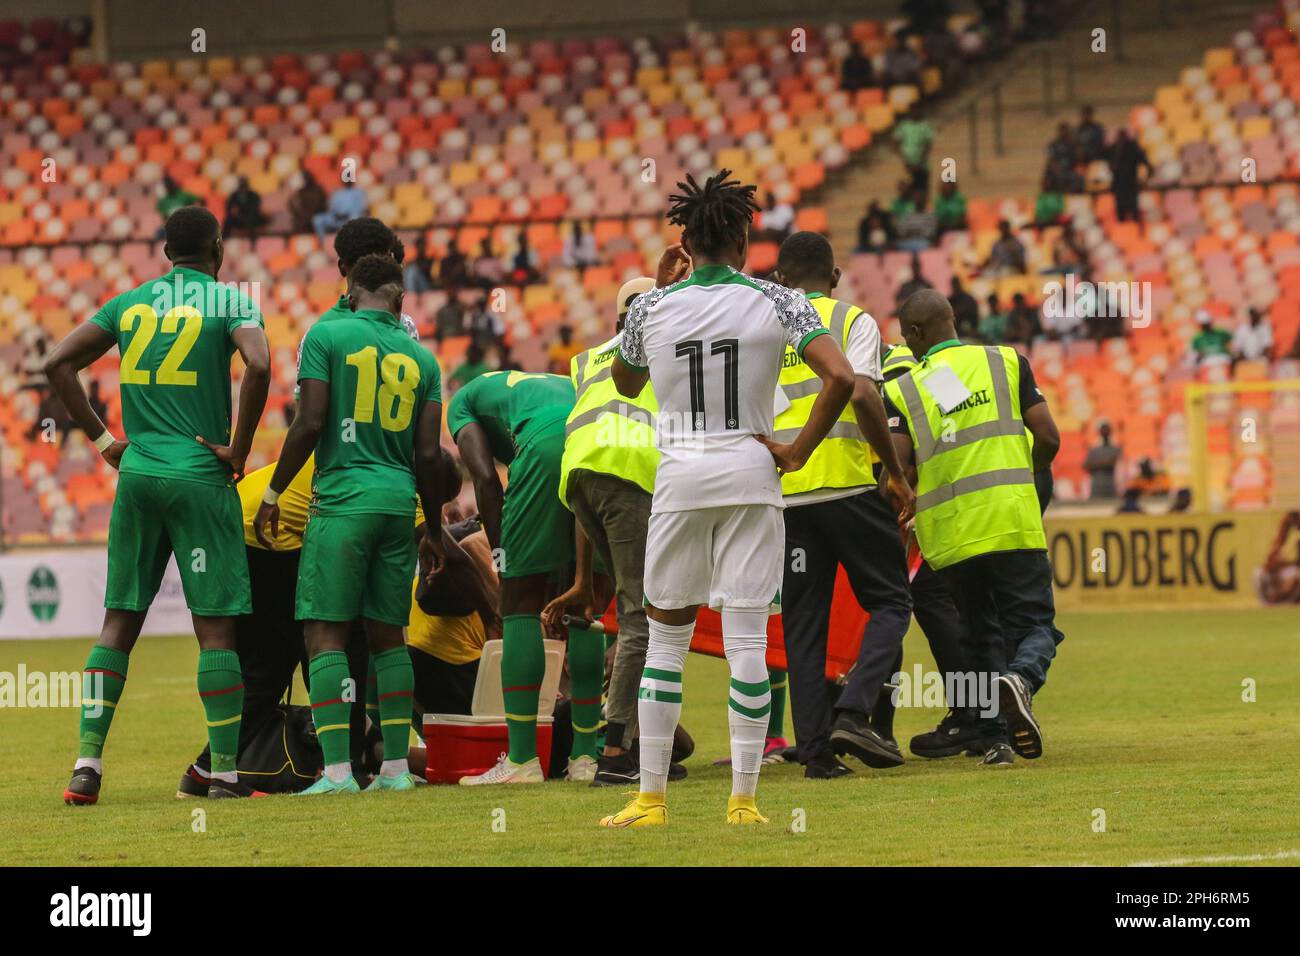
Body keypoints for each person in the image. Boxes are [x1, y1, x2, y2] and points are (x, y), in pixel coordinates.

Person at [603, 170, 854, 827]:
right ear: (744, 239)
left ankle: (650, 799)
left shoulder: (652, 308)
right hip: (751, 470)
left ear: (685, 242)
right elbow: (843, 376)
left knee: (665, 641)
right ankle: (743, 802)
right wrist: (797, 450)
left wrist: (657, 292)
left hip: (680, 476)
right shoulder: (780, 302)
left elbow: (626, 383)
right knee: (747, 641)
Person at [48, 205, 271, 804]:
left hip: (139, 472)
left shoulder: (129, 303)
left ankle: (86, 767)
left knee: (119, 622)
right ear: (217, 248)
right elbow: (261, 364)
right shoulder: (229, 302)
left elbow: (56, 363)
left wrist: (104, 443)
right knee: (216, 632)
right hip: (201, 474)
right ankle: (224, 774)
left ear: (166, 251)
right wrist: (238, 448)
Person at [254, 253, 444, 795]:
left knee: (325, 633)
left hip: (343, 498)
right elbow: (430, 456)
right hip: (397, 502)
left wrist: (273, 491)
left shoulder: (326, 336)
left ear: (351, 292)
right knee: (389, 636)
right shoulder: (422, 359)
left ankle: (337, 772)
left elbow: (311, 420)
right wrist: (432, 528)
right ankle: (395, 771)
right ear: (400, 299)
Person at [884, 289, 1063, 766]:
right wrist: (1029, 475)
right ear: (953, 320)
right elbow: (1047, 436)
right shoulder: (1007, 361)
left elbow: (897, 467)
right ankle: (1020, 680)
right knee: (1034, 625)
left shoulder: (904, 387)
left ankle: (997, 741)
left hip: (952, 535)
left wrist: (907, 486)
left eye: (909, 339)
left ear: (917, 334)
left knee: (979, 634)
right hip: (1011, 521)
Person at [769, 231, 917, 779]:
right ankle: (854, 712)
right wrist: (895, 474)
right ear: (834, 277)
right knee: (892, 602)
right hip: (848, 489)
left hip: (787, 500)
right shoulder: (851, 321)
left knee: (802, 626)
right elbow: (859, 392)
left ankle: (815, 754)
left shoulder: (765, 325)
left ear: (779, 280)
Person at [447, 370, 611, 784]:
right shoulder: (556, 380)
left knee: (518, 604)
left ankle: (522, 760)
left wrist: (504, 561)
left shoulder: (462, 402)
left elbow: (485, 478)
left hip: (544, 446)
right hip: (599, 443)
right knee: (585, 602)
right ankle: (585, 758)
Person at [542, 275, 660, 787]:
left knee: (644, 614)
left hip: (579, 479)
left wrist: (583, 578)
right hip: (631, 475)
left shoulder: (584, 360)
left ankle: (638, 739)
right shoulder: (666, 347)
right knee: (642, 618)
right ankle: (614, 750)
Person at [1107, 129, 1152, 223]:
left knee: (1132, 211)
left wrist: (1147, 178)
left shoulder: (1132, 148)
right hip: (1121, 185)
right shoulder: (1114, 149)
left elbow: (1148, 165)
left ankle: (1132, 229)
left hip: (1129, 184)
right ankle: (1124, 229)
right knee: (1121, 213)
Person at [892, 105, 935, 204]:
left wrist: (919, 162)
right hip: (906, 165)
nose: (915, 113)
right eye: (913, 110)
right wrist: (905, 160)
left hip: (922, 166)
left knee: (922, 189)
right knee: (906, 189)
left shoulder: (925, 125)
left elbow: (928, 145)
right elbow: (896, 142)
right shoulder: (904, 126)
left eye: (917, 110)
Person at [1083, 421, 1121, 499]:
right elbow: (1086, 465)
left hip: (1110, 483)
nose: (1105, 432)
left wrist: (1096, 464)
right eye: (1103, 430)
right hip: (1097, 483)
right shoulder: (1094, 448)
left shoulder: (1116, 448)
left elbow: (1113, 463)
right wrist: (1105, 462)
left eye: (1107, 430)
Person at [289, 168, 327, 235]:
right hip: (302, 225)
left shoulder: (317, 191)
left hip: (314, 224)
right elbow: (292, 207)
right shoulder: (298, 194)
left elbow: (321, 208)